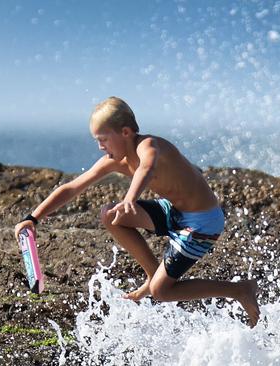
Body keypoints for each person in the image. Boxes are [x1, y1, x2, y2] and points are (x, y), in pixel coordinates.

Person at [14, 97, 260, 327]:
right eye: (96, 141)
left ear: (125, 132)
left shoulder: (150, 146)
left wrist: (130, 198)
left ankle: (239, 290)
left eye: (103, 139)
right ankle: (152, 273)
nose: (100, 147)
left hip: (201, 223)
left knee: (162, 292)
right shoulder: (114, 160)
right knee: (110, 214)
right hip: (173, 211)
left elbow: (147, 169)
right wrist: (32, 218)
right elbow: (72, 187)